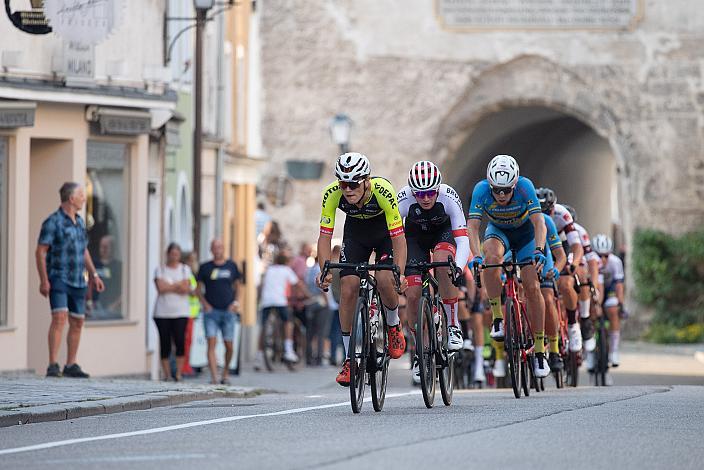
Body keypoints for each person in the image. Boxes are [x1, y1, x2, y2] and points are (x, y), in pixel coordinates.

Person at [317, 152, 408, 386]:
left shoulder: (383, 191)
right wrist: (325, 270)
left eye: (353, 183)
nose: (347, 189)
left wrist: (401, 272)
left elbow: (398, 238)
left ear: (366, 181)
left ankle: (393, 325)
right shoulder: (332, 194)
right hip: (356, 234)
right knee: (348, 288)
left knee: (385, 278)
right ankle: (349, 360)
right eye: (343, 183)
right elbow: (325, 237)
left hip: (384, 234)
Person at [467, 155, 551, 378]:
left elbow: (539, 222)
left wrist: (540, 250)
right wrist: (476, 255)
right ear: (489, 185)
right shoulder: (480, 190)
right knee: (491, 258)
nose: (501, 195)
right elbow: (473, 227)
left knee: (532, 287)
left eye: (506, 190)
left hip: (526, 236)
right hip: (498, 232)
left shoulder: (525, 187)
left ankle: (541, 349)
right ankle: (497, 317)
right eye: (496, 190)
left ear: (514, 184)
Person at [397, 161, 470, 384]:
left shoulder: (449, 196)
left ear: (437, 189)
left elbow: (463, 238)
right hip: (414, 238)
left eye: (430, 193)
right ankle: (419, 351)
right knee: (412, 294)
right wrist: (396, 269)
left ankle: (453, 325)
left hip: (443, 234)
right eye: (420, 194)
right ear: (412, 191)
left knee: (442, 261)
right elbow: (392, 237)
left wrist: (457, 267)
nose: (426, 198)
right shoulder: (402, 199)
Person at [36, 182, 105, 378]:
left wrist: (94, 275)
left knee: (78, 321)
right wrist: (44, 280)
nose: (84, 198)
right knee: (59, 318)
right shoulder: (53, 222)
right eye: (81, 195)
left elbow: (84, 250)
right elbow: (40, 252)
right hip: (58, 276)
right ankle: (52, 364)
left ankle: (71, 364)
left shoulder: (80, 222)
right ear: (71, 198)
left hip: (78, 280)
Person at [536, 188, 589, 353]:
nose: (546, 215)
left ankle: (573, 325)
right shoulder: (532, 215)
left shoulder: (562, 215)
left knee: (566, 283)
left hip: (561, 246)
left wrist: (574, 264)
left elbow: (576, 246)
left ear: (554, 207)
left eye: (548, 211)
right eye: (542, 211)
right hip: (542, 245)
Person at [197, 239, 242, 385]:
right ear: (211, 249)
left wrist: (236, 303)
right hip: (211, 312)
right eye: (215, 247)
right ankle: (215, 377)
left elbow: (238, 286)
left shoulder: (231, 266)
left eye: (220, 247)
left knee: (229, 345)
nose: (217, 249)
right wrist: (205, 304)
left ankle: (226, 373)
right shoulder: (205, 267)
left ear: (224, 249)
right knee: (211, 343)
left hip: (228, 311)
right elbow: (198, 289)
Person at [255, 252, 303, 368]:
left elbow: (261, 285)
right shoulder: (286, 270)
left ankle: (259, 356)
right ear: (286, 261)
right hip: (279, 301)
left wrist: (259, 299)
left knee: (263, 327)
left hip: (266, 301)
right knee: (288, 322)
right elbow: (298, 284)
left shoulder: (269, 270)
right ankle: (288, 350)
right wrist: (307, 295)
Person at [153, 243, 193, 381]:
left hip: (181, 312)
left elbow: (186, 288)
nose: (174, 256)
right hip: (162, 312)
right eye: (172, 254)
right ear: (168, 254)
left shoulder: (185, 270)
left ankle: (178, 373)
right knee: (165, 343)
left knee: (180, 341)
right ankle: (167, 374)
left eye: (177, 254)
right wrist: (177, 284)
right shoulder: (160, 269)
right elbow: (161, 288)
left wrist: (170, 285)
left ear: (179, 255)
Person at [592, 234, 626, 368]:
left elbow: (619, 285)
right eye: (599, 256)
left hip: (610, 289)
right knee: (592, 312)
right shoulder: (590, 261)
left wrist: (621, 304)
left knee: (613, 310)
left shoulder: (616, 262)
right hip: (595, 288)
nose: (602, 259)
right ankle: (590, 352)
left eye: (606, 255)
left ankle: (613, 351)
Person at [89, 235, 122, 319]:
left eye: (106, 247)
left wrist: (115, 305)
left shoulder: (118, 266)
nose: (103, 249)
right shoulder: (94, 264)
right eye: (101, 246)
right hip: (94, 307)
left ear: (112, 248)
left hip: (112, 308)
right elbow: (86, 281)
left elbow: (125, 291)